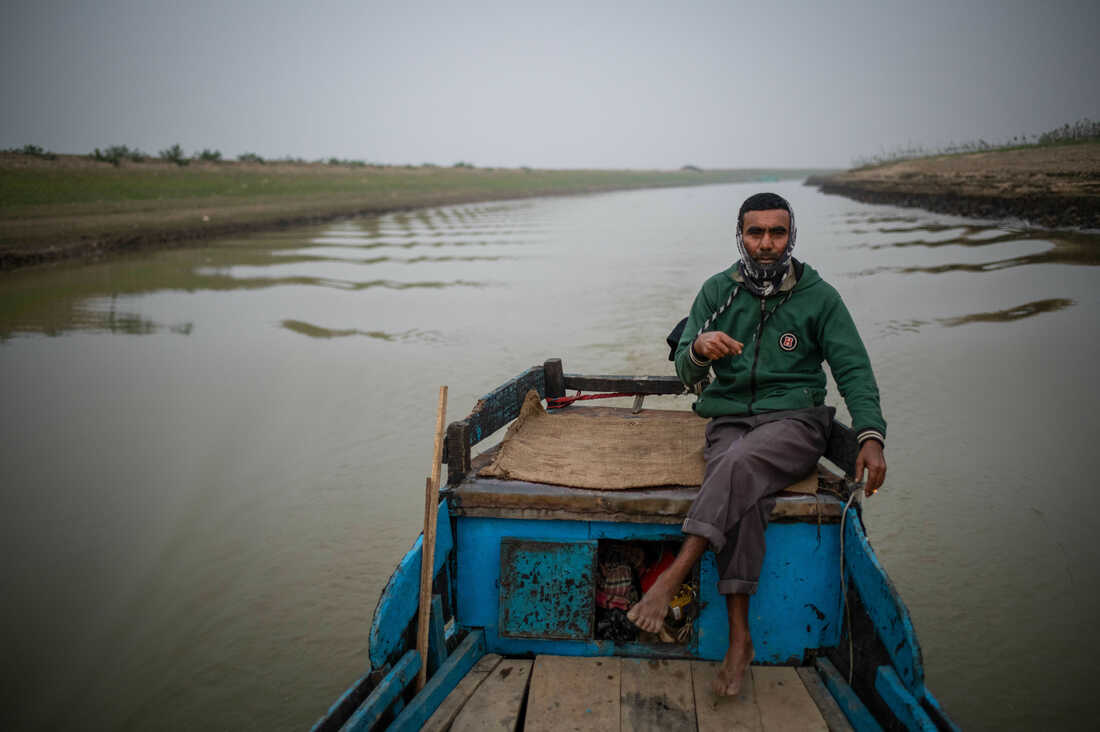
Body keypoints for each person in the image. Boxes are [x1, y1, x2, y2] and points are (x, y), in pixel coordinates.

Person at [626, 192, 887, 696]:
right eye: (755, 232)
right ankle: (740, 638)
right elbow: (684, 368)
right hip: (729, 421)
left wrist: (870, 436)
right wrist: (699, 348)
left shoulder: (819, 297)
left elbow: (854, 370)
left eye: (777, 232)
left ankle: (673, 576)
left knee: (739, 464)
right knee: (745, 493)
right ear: (740, 235)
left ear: (792, 235)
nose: (766, 244)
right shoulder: (716, 291)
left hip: (797, 422)